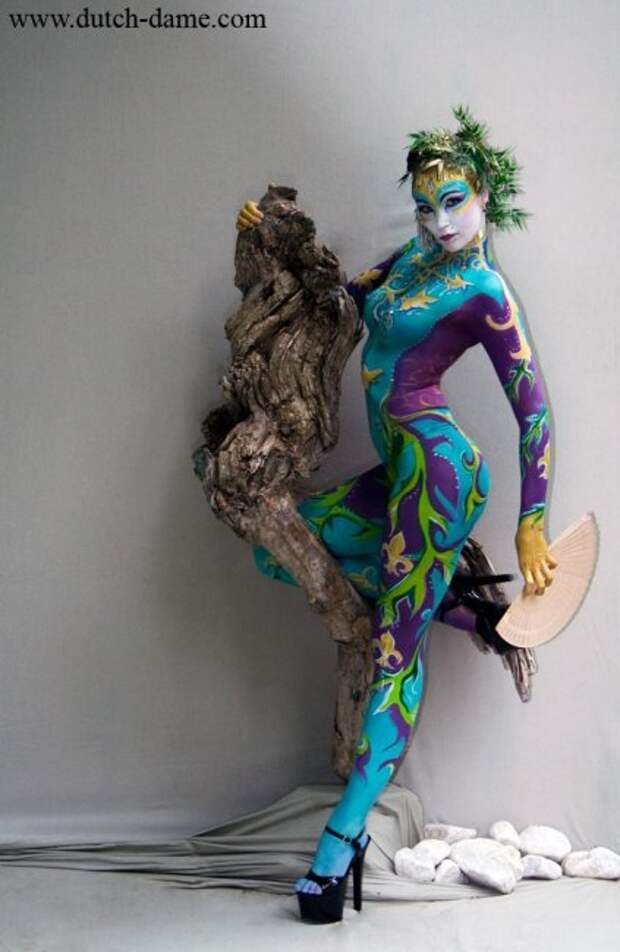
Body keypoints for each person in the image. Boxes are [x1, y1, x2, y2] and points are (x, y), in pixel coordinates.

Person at [236, 105, 558, 923]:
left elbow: (534, 412)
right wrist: (270, 247)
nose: (439, 221)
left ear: (484, 196)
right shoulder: (415, 258)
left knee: (392, 656)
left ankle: (338, 842)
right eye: (424, 206)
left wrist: (532, 522)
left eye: (453, 202)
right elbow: (343, 296)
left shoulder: (484, 291)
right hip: (397, 472)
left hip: (440, 475)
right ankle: (465, 612)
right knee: (278, 548)